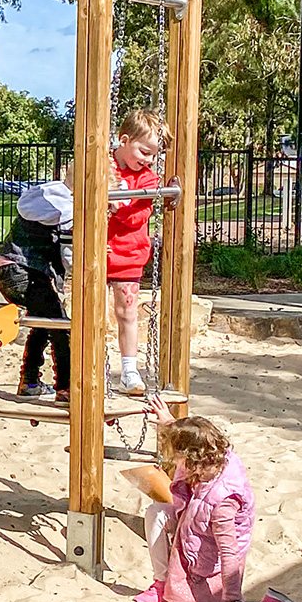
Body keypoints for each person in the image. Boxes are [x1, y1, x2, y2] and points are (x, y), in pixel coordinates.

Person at [135, 397, 302, 602]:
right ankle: (160, 582)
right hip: (195, 525)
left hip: (211, 557)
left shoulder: (223, 500)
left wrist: (233, 599)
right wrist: (168, 421)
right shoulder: (207, 455)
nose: (175, 462)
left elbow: (229, 551)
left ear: (191, 458)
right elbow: (192, 437)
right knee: (156, 512)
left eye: (177, 456)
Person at [108, 110, 171, 395]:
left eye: (153, 155)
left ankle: (129, 370)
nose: (148, 160)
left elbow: (137, 217)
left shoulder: (148, 179)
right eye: (144, 151)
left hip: (129, 253)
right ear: (124, 140)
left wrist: (116, 205)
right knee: (92, 313)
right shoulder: (104, 165)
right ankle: (91, 363)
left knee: (128, 312)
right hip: (98, 251)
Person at [0, 180, 74, 402]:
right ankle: (65, 387)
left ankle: (29, 382)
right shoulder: (66, 211)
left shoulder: (44, 196)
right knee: (60, 327)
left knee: (42, 323)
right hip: (27, 273)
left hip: (9, 271)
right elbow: (69, 257)